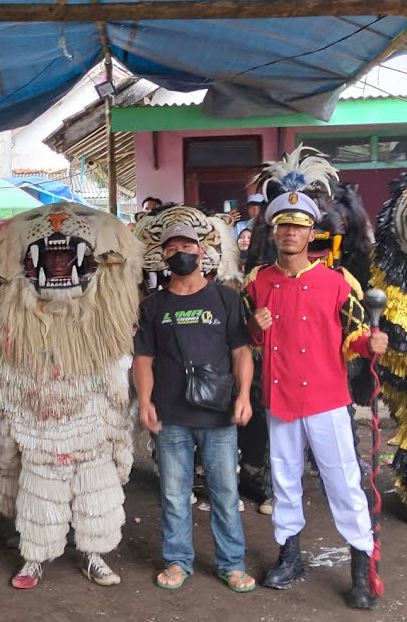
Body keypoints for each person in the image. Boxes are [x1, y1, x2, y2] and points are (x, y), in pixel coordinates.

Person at [243, 191, 388, 611]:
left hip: (326, 398)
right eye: (282, 226)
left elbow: (356, 336)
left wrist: (371, 343)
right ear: (274, 232)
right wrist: (254, 325)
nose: (290, 232)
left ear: (311, 232)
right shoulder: (258, 283)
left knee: (343, 481)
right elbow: (246, 337)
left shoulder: (337, 282)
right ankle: (290, 557)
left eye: (298, 226)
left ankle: (362, 567)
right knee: (284, 480)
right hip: (280, 396)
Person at [134, 223, 255, 593]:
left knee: (225, 492)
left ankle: (232, 564)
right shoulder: (152, 306)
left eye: (187, 245)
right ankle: (177, 560)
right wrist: (144, 402)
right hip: (170, 416)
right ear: (164, 256)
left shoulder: (226, 299)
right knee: (173, 492)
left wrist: (244, 395)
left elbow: (241, 351)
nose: (179, 252)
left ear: (202, 251)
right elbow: (143, 358)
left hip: (218, 415)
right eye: (172, 248)